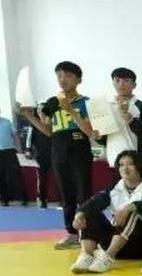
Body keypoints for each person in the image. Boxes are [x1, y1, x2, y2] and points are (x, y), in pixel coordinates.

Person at [18, 61, 94, 249]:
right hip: (58, 152)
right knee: (66, 195)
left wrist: (71, 110)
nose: (62, 79)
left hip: (79, 150)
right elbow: (49, 131)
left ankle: (89, 233)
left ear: (78, 79)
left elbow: (89, 131)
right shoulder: (53, 103)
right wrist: (29, 116)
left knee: (84, 193)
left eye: (68, 75)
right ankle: (72, 233)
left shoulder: (86, 102)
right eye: (59, 75)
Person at [69, 150, 142, 274]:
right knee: (89, 212)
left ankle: (108, 257)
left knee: (133, 213)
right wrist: (79, 214)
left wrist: (129, 208)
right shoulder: (114, 188)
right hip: (116, 243)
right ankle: (86, 256)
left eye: (130, 164)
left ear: (140, 166)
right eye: (121, 165)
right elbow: (94, 202)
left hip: (140, 245)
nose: (125, 168)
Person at [98, 67, 142, 168]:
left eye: (126, 80)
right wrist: (97, 137)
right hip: (115, 160)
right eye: (117, 80)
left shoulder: (140, 106)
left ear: (134, 85)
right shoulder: (107, 106)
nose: (121, 84)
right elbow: (105, 138)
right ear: (113, 83)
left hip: (137, 161)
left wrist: (129, 118)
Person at [24, 105, 52, 207]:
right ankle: (42, 199)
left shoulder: (52, 123)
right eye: (39, 110)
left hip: (54, 154)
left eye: (43, 109)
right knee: (41, 178)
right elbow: (29, 138)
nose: (41, 112)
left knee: (59, 178)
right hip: (40, 156)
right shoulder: (33, 124)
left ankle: (62, 199)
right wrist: (28, 150)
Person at [0, 108, 27, 206]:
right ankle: (4, 199)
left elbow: (15, 136)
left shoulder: (7, 122)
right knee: (1, 176)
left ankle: (23, 198)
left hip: (10, 151)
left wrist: (20, 150)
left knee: (15, 175)